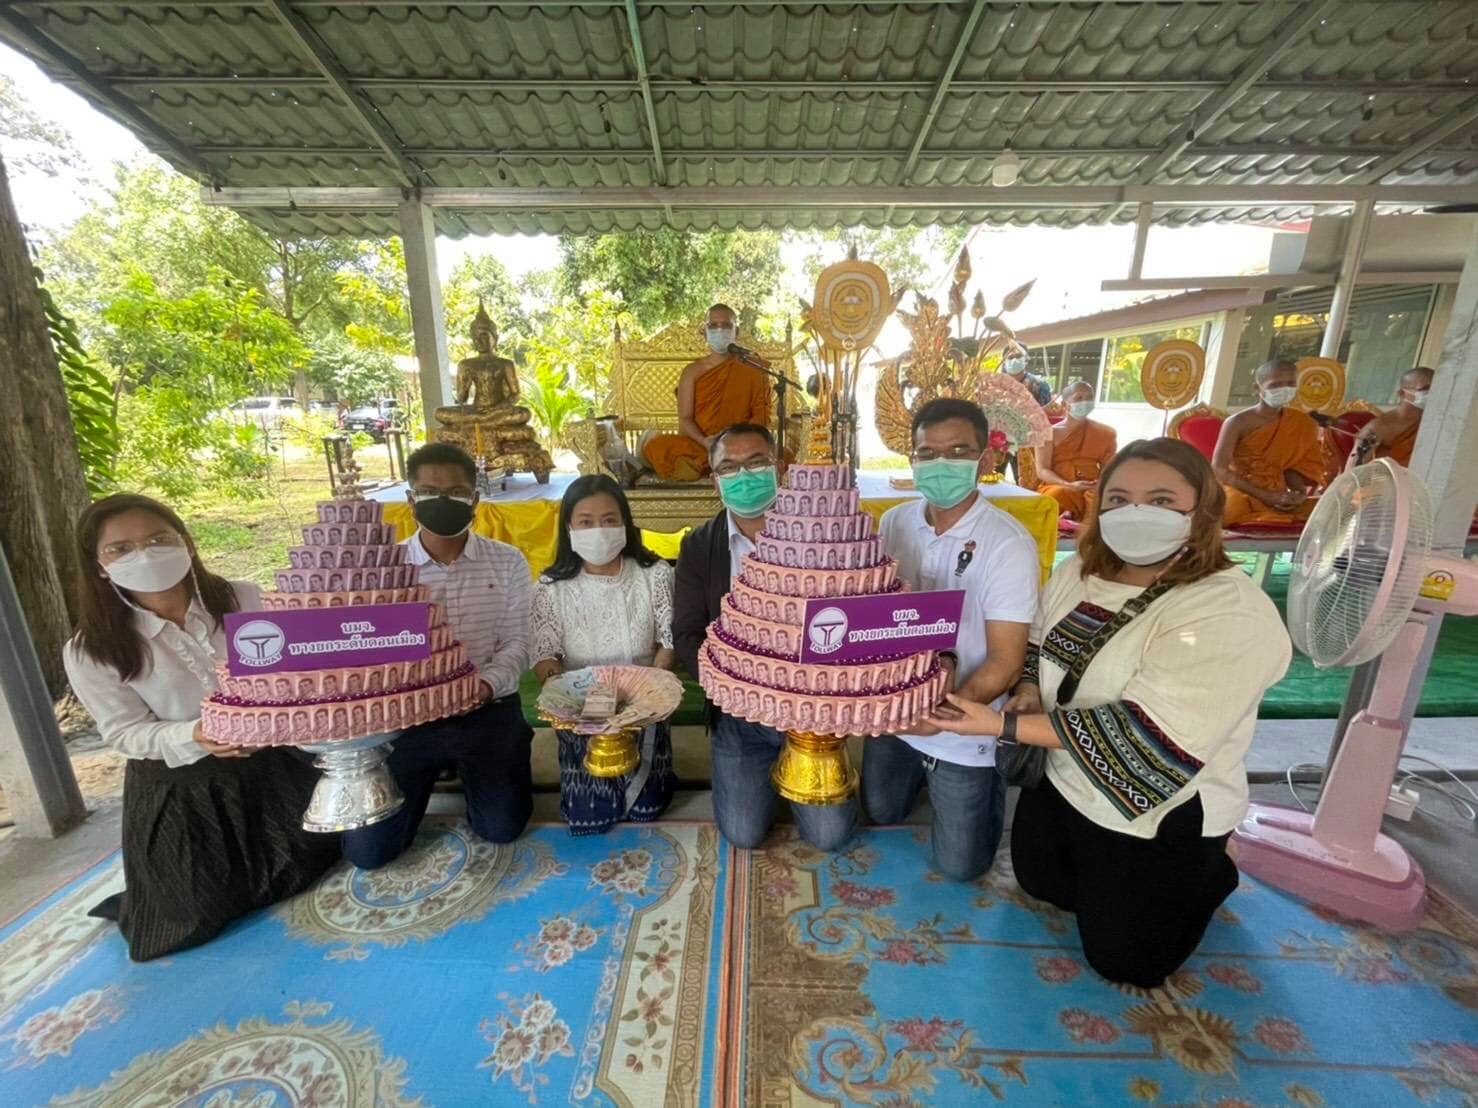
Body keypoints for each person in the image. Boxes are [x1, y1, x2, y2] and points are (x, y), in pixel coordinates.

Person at [928, 438, 1290, 988]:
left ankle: (1210, 872)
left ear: (1202, 512)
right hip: (1065, 777)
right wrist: (1027, 687)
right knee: (1040, 883)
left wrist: (1000, 723)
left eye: (1162, 500)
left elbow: (1146, 741)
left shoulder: (1227, 611)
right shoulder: (1079, 574)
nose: (1136, 514)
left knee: (1125, 962)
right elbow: (1036, 643)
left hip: (1158, 801)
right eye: (1119, 499)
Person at [62, 494, 339, 961]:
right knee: (187, 919)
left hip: (269, 761)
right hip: (184, 784)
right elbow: (125, 733)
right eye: (121, 548)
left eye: (158, 539)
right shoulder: (93, 648)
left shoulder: (243, 598)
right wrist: (194, 735)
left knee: (319, 854)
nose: (145, 554)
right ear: (98, 567)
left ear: (187, 544)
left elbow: (293, 667)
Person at [863, 398, 1041, 880]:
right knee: (881, 813)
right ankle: (921, 773)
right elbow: (875, 618)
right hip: (897, 712)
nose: (941, 464)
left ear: (984, 460)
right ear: (913, 460)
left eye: (958, 450)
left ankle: (986, 788)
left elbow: (1004, 663)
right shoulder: (895, 522)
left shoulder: (1008, 544)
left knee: (961, 866)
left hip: (963, 720)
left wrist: (941, 718)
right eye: (928, 453)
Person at [342, 442, 534, 868]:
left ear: (476, 500)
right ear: (410, 500)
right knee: (368, 853)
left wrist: (482, 687)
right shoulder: (384, 571)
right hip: (407, 719)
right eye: (430, 492)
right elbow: (370, 652)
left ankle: (477, 773)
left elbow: (518, 643)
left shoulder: (507, 562)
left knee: (501, 827)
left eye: (457, 492)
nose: (443, 502)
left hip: (487, 708)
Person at [672, 422, 857, 850]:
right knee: (743, 834)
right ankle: (762, 777)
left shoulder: (821, 534)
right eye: (729, 467)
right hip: (740, 715)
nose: (744, 476)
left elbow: (852, 615)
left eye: (756, 463)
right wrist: (734, 689)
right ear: (714, 480)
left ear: (780, 466)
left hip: (812, 712)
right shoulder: (700, 546)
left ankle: (803, 771)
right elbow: (686, 634)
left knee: (830, 838)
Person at [531, 474, 678, 834]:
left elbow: (667, 643)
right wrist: (567, 699)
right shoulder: (551, 587)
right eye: (586, 522)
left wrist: (648, 695)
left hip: (644, 707)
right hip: (581, 710)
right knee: (589, 817)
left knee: (646, 810)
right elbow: (544, 655)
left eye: (610, 520)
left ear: (626, 523)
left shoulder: (655, 575)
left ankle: (660, 770)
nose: (599, 529)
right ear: (569, 527)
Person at [642, 304, 774, 481]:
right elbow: (685, 419)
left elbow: (760, 416)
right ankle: (719, 462)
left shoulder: (753, 368)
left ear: (737, 331)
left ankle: (724, 462)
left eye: (726, 325)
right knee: (656, 446)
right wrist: (708, 442)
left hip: (741, 446)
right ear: (704, 331)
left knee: (782, 454)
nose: (719, 330)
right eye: (713, 326)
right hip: (701, 444)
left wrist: (735, 443)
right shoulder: (692, 371)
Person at [1212, 358, 1326, 526]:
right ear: (1258, 388)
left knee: (1325, 512)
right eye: (1276, 385)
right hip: (1240, 490)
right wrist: (1265, 495)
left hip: (1278, 493)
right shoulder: (1237, 422)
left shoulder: (1300, 422)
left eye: (1290, 383)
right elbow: (1219, 468)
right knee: (1228, 512)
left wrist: (1298, 494)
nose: (1284, 389)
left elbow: (1291, 467)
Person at [1034, 379, 1117, 520]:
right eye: (1079, 398)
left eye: (1089, 398)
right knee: (1057, 496)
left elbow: (1109, 469)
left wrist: (1098, 485)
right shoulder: (1047, 433)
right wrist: (1069, 484)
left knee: (1103, 499)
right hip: (1059, 485)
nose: (1085, 402)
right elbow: (1042, 470)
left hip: (1091, 486)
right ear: (1065, 404)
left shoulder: (1106, 433)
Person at [1348, 366, 1433, 470]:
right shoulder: (1377, 428)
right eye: (1425, 389)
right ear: (1401, 394)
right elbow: (1352, 472)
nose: (1432, 394)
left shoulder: (1430, 425)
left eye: (1435, 390)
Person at [1003, 340, 1052, 407]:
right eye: (1010, 357)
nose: (1014, 360)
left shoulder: (1040, 385)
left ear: (1026, 360)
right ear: (1004, 362)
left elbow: (1046, 414)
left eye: (1018, 356)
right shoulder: (997, 385)